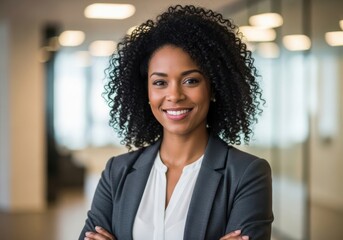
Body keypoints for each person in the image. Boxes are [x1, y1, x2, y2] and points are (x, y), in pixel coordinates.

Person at [79, 5, 273, 240]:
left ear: (213, 88)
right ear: (146, 93)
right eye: (160, 83)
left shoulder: (246, 173)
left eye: (190, 81)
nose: (175, 95)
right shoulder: (117, 172)